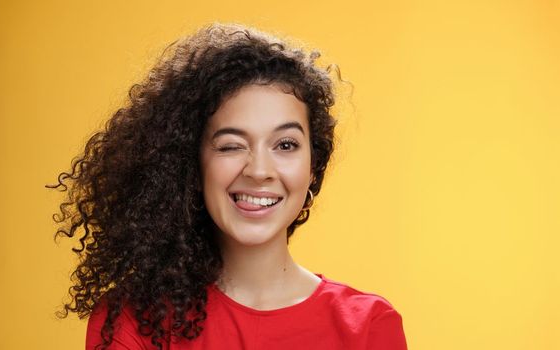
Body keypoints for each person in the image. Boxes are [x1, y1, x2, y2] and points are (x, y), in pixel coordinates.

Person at [48, 23, 407, 350]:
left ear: (312, 168)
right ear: (192, 164)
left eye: (285, 145)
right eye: (231, 145)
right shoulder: (133, 320)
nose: (259, 170)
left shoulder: (369, 327)